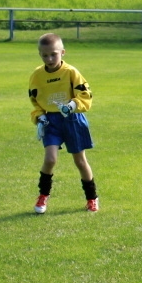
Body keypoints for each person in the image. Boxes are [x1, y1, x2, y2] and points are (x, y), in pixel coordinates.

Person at [29, 33, 99, 213]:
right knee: (50, 159)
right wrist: (40, 116)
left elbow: (85, 95)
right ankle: (43, 196)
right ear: (40, 54)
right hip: (51, 122)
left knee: (80, 161)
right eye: (45, 55)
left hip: (72, 119)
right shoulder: (37, 75)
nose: (50, 58)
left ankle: (92, 198)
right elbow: (35, 100)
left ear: (63, 52)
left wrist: (72, 105)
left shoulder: (70, 72)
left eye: (54, 54)